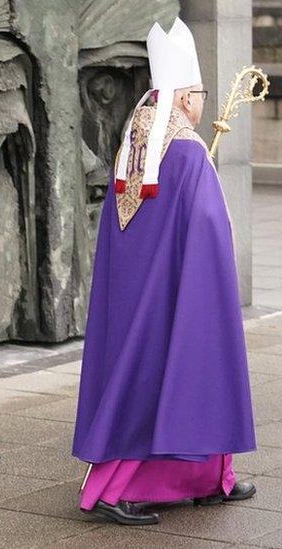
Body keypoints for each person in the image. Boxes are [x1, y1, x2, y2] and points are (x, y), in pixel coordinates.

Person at [72, 18, 256, 526]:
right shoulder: (190, 152)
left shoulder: (135, 145)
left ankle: (208, 478)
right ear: (181, 98)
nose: (201, 102)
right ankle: (116, 491)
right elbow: (210, 230)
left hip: (133, 292)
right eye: (197, 93)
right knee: (175, 373)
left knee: (147, 376)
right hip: (177, 288)